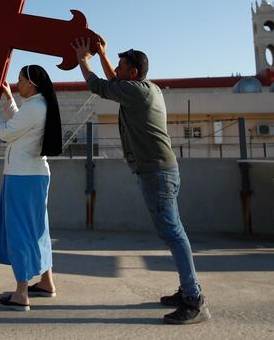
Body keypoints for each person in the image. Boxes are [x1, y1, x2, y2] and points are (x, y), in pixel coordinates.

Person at [72, 37, 211, 325]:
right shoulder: (145, 89)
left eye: (122, 65)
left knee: (174, 234)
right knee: (174, 233)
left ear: (133, 73)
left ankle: (194, 300)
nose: (118, 69)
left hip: (157, 174)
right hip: (160, 172)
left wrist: (82, 59)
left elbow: (100, 86)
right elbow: (112, 81)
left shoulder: (136, 92)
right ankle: (187, 288)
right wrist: (102, 55)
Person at [0, 65, 62, 311]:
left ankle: (21, 293)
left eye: (20, 80)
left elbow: (7, 132)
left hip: (21, 176)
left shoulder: (35, 108)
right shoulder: (39, 106)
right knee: (38, 229)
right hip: (34, 175)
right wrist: (8, 99)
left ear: (32, 84)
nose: (17, 84)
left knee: (21, 232)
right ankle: (47, 282)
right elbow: (20, 125)